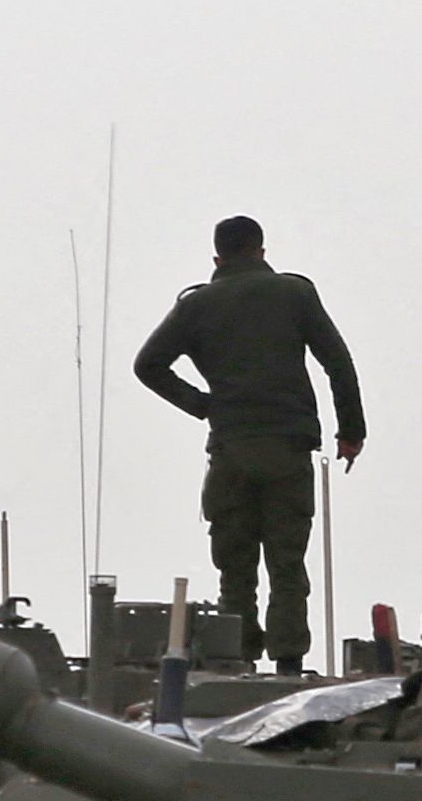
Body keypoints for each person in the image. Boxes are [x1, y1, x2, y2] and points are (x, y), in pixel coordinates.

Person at [132, 216, 367, 674]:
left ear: (217, 258)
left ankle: (235, 663)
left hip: (231, 448)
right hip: (287, 445)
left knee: (234, 567)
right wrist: (351, 433)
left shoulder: (196, 306)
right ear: (261, 250)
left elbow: (148, 365)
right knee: (287, 564)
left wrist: (203, 404)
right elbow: (338, 363)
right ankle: (288, 665)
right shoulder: (295, 293)